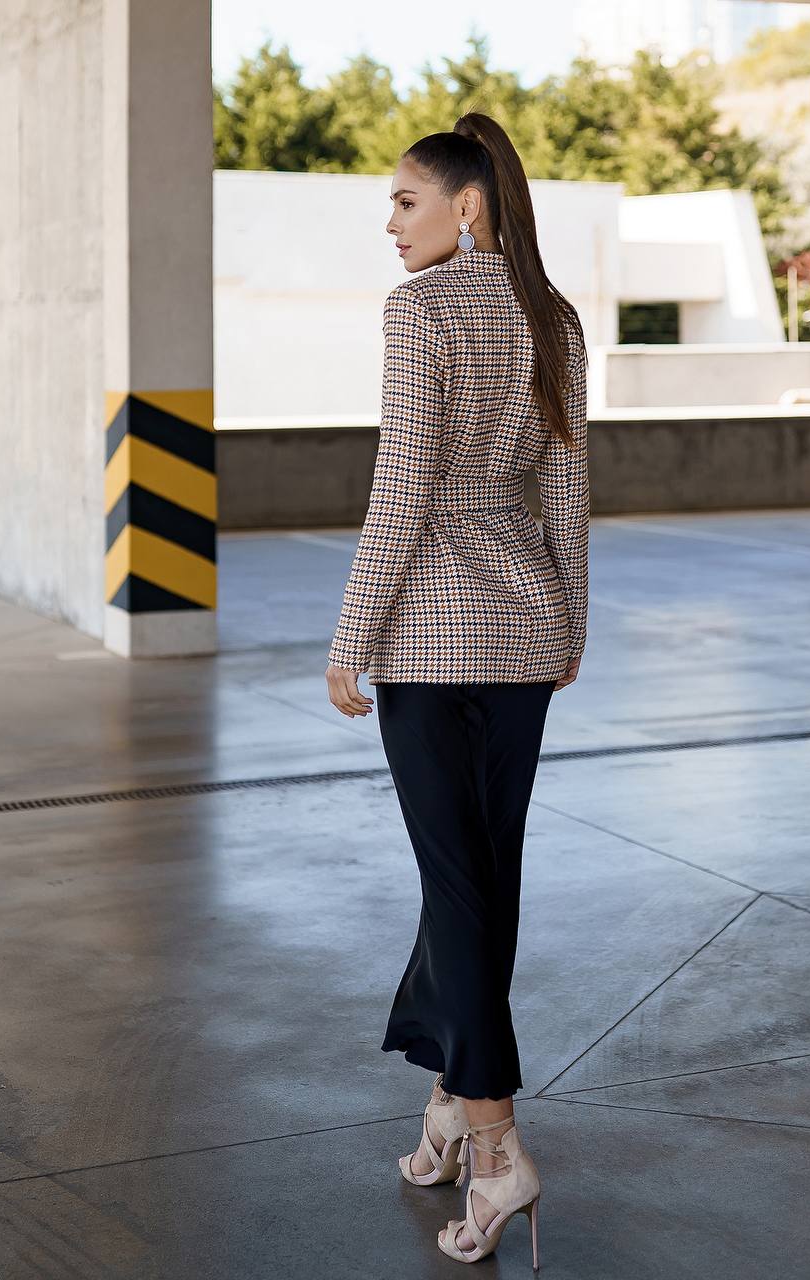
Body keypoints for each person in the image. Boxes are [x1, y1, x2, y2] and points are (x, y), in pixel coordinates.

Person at [325, 110, 589, 1269]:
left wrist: (351, 635)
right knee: (484, 875)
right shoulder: (553, 316)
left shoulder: (419, 309)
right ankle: (446, 1099)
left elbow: (401, 489)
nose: (390, 223)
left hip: (431, 641)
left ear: (466, 205)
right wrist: (569, 619)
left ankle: (495, 1143)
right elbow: (569, 489)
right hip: (526, 629)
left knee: (458, 879)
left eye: (405, 202)